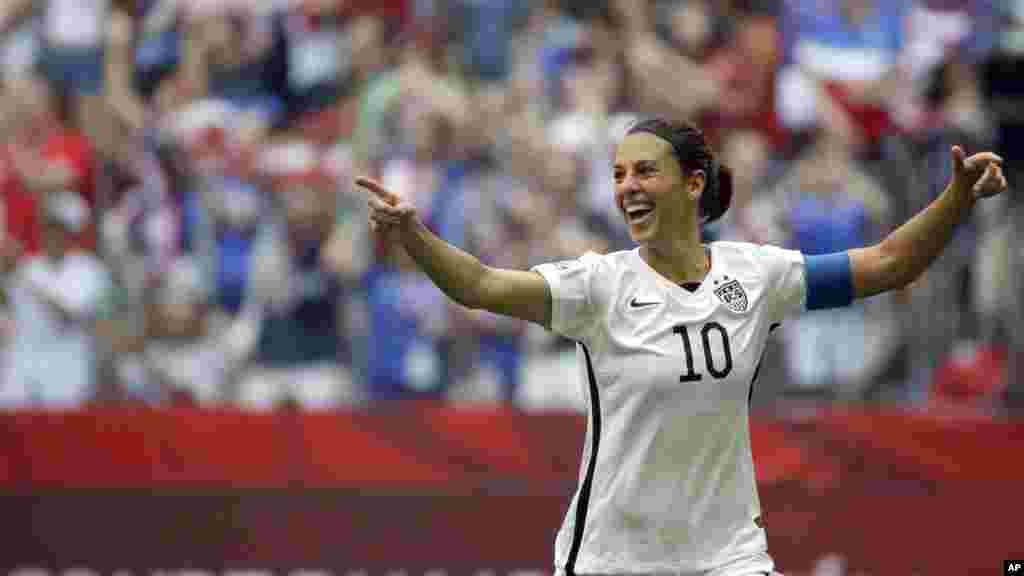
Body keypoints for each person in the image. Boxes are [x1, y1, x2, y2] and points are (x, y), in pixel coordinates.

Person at [357, 117, 1008, 575]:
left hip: (727, 556)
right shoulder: (598, 287)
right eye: (617, 175)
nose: (626, 187)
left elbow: (890, 263)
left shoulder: (758, 274)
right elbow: (477, 285)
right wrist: (415, 234)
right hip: (613, 560)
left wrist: (955, 198)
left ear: (693, 184)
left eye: (644, 171)